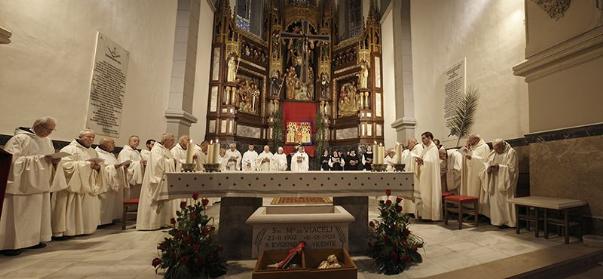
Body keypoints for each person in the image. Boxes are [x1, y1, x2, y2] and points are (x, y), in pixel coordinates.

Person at [0, 117, 64, 256]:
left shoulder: (47, 141)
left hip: (40, 184)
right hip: (20, 186)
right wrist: (40, 160)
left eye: (52, 130)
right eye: (48, 129)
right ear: (38, 126)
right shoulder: (19, 139)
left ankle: (33, 240)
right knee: (18, 215)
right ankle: (12, 244)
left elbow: (49, 159)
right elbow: (11, 163)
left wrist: (54, 162)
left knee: (37, 215)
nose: (49, 133)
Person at [52, 129, 106, 237]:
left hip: (88, 185)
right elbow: (63, 166)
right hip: (73, 186)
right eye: (88, 137)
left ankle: (85, 229)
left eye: (92, 137)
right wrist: (85, 165)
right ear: (80, 137)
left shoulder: (93, 151)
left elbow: (99, 165)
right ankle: (68, 231)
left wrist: (98, 167)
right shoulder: (69, 149)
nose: (90, 139)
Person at [136, 133, 177, 230]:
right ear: (165, 140)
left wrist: (173, 161)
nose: (173, 143)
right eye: (172, 141)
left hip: (163, 180)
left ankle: (162, 222)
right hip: (156, 181)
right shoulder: (156, 149)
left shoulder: (165, 150)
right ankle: (150, 224)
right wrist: (171, 162)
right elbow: (157, 164)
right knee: (153, 201)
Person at [483, 139, 518, 227]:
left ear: (502, 145)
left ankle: (508, 221)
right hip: (494, 181)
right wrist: (489, 168)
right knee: (496, 202)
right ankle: (497, 221)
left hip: (505, 181)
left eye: (498, 148)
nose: (496, 151)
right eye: (495, 149)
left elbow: (512, 169)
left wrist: (500, 167)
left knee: (505, 202)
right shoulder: (493, 153)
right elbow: (487, 163)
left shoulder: (511, 152)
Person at [95, 138, 128, 225]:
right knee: (103, 203)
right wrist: (113, 167)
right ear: (105, 144)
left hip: (113, 182)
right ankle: (101, 222)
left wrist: (121, 167)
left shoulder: (111, 155)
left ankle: (111, 218)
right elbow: (99, 168)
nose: (114, 145)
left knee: (111, 203)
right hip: (104, 182)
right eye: (112, 143)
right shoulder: (97, 153)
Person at [460, 134, 491, 216]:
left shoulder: (484, 147)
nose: (469, 141)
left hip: (479, 174)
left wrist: (472, 158)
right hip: (470, 173)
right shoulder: (471, 147)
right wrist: (466, 151)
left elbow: (485, 162)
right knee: (470, 191)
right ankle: (472, 211)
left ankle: (480, 212)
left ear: (476, 139)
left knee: (477, 192)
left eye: (470, 140)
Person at [414, 132, 442, 221]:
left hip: (430, 177)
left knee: (429, 193)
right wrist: (419, 161)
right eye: (422, 138)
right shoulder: (426, 148)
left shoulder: (433, 149)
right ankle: (425, 215)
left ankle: (431, 215)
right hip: (425, 175)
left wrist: (422, 161)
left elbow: (432, 162)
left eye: (424, 138)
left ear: (429, 138)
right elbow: (424, 159)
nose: (422, 140)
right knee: (424, 194)